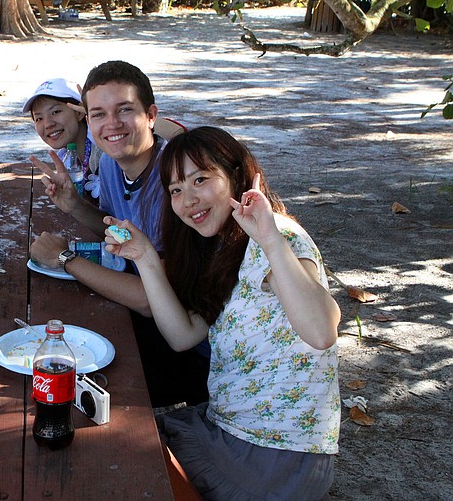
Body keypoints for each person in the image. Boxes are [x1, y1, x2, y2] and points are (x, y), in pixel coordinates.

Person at [103, 126, 340, 500]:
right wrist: (145, 256)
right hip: (229, 430)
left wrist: (270, 239)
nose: (188, 200)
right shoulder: (220, 250)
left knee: (118, 460)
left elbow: (322, 331)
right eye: (176, 190)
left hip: (271, 458)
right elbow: (182, 336)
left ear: (237, 176)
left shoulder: (276, 236)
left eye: (200, 180)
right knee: (113, 433)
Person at [29, 60, 208, 407]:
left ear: (151, 115)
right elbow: (122, 235)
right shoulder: (111, 163)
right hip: (157, 324)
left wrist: (65, 259)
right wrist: (75, 206)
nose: (112, 124)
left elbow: (150, 299)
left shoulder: (175, 182)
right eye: (99, 114)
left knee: (63, 372)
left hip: (196, 353)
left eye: (124, 110)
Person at [23, 78, 102, 205]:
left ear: (79, 112)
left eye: (55, 112)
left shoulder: (105, 148)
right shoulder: (65, 160)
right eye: (39, 118)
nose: (48, 124)